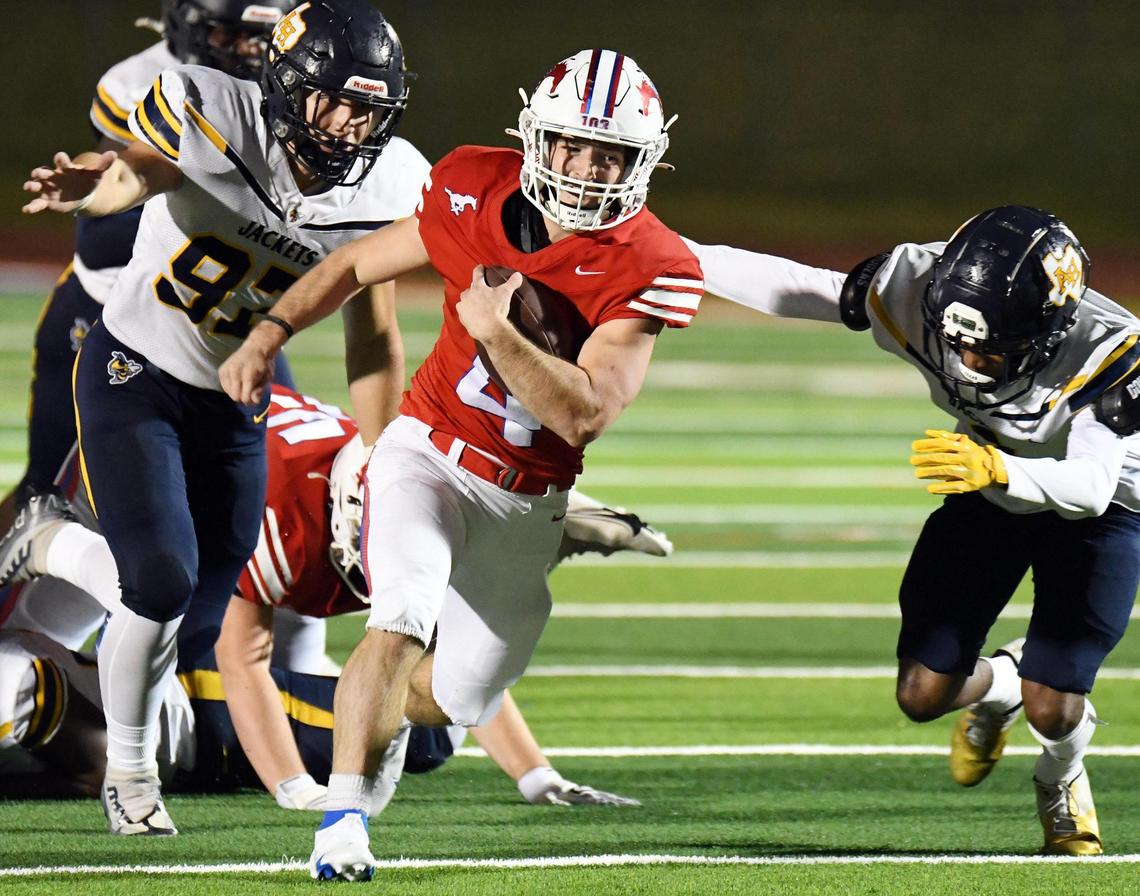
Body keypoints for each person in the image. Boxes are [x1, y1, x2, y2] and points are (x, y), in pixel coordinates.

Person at [220, 47, 704, 881]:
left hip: (526, 498)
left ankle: (395, 716)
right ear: (536, 140)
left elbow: (583, 412)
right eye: (573, 146)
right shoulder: (471, 186)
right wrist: (269, 333)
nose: (588, 170)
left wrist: (495, 330)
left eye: (611, 154)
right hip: (424, 454)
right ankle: (341, 822)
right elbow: (352, 265)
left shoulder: (651, 262)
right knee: (398, 617)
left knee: (460, 696)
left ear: (643, 162)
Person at [18, 0, 423, 837]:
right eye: (333, 101)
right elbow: (139, 169)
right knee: (157, 581)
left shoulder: (387, 185)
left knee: (202, 615)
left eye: (368, 109)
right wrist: (99, 185)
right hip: (134, 368)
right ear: (284, 85)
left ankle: (49, 542)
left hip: (237, 399)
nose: (349, 127)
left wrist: (384, 456)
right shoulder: (212, 108)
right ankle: (131, 775)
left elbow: (373, 335)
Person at [0, 383, 664, 808]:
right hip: (135, 474)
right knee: (154, 599)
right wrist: (294, 789)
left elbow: (456, 661)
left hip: (245, 460)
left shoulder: (406, 506)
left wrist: (535, 776)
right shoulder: (279, 522)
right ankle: (57, 546)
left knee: (405, 702)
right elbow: (243, 660)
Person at [825, 205, 1140, 856]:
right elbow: (805, 289)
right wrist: (666, 251)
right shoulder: (947, 302)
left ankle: (1060, 775)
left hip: (1103, 507)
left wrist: (998, 464)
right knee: (921, 694)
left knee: (1053, 706)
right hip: (992, 487)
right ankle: (1000, 687)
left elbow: (1091, 489)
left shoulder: (1111, 350)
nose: (970, 359)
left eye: (992, 343)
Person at [5, 1, 295, 530]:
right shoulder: (145, 81)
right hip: (118, 305)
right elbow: (117, 200)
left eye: (261, 35)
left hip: (228, 319)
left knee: (267, 491)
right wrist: (94, 187)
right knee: (47, 493)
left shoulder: (289, 94)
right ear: (188, 24)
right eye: (229, 34)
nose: (249, 51)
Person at [0, 627, 636, 809]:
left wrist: (535, 776)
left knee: (425, 731)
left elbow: (95, 765)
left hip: (188, 709)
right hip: (172, 689)